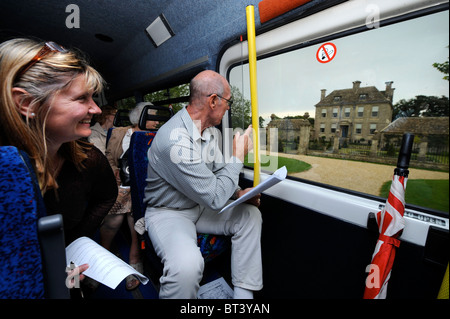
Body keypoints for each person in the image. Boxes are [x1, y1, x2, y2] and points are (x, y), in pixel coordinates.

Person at [0, 38, 117, 290]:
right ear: (27, 104)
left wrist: (72, 247)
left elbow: (107, 196)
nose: (96, 109)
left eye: (93, 98)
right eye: (81, 98)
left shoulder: (88, 158)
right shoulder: (5, 174)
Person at [143, 70, 263, 299]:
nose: (229, 107)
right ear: (213, 100)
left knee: (250, 216)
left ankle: (243, 298)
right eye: (228, 101)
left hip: (200, 205)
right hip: (169, 212)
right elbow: (215, 197)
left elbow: (218, 173)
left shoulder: (210, 133)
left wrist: (238, 193)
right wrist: (237, 157)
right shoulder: (174, 140)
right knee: (187, 266)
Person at [102, 101, 158, 290]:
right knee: (114, 221)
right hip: (120, 185)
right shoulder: (119, 133)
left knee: (135, 222)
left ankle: (134, 261)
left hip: (143, 186)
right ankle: (103, 254)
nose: (156, 121)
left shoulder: (157, 137)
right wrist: (114, 170)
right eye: (152, 117)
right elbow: (109, 156)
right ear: (140, 117)